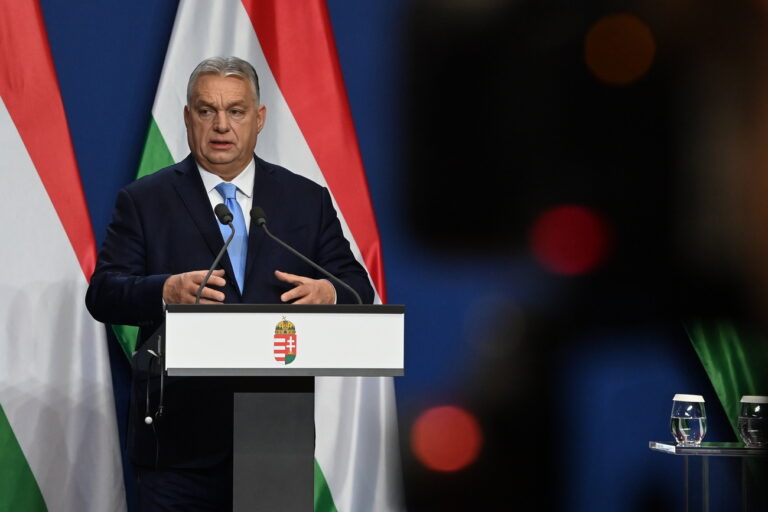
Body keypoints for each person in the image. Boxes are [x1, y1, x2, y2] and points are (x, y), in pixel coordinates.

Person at [85, 56, 374, 511]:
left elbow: (358, 288)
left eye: (236, 111)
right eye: (206, 110)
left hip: (275, 436)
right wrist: (164, 291)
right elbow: (103, 294)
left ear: (258, 119)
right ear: (187, 118)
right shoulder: (144, 201)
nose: (221, 125)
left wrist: (330, 292)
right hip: (177, 442)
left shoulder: (304, 200)